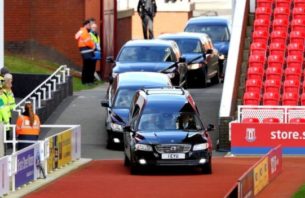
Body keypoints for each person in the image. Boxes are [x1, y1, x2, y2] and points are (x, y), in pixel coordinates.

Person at [75, 19, 96, 84]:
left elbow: (76, 37)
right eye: (89, 25)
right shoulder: (84, 32)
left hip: (84, 51)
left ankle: (85, 81)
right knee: (88, 67)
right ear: (86, 25)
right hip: (87, 50)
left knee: (86, 66)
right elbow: (88, 42)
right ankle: (87, 81)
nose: (90, 26)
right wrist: (93, 46)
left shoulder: (81, 31)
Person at [3, 73, 16, 150]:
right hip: (3, 116)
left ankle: (7, 144)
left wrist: (13, 107)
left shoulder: (9, 91)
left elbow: (12, 102)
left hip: (7, 115)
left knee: (7, 130)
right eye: (10, 80)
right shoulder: (2, 92)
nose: (11, 82)